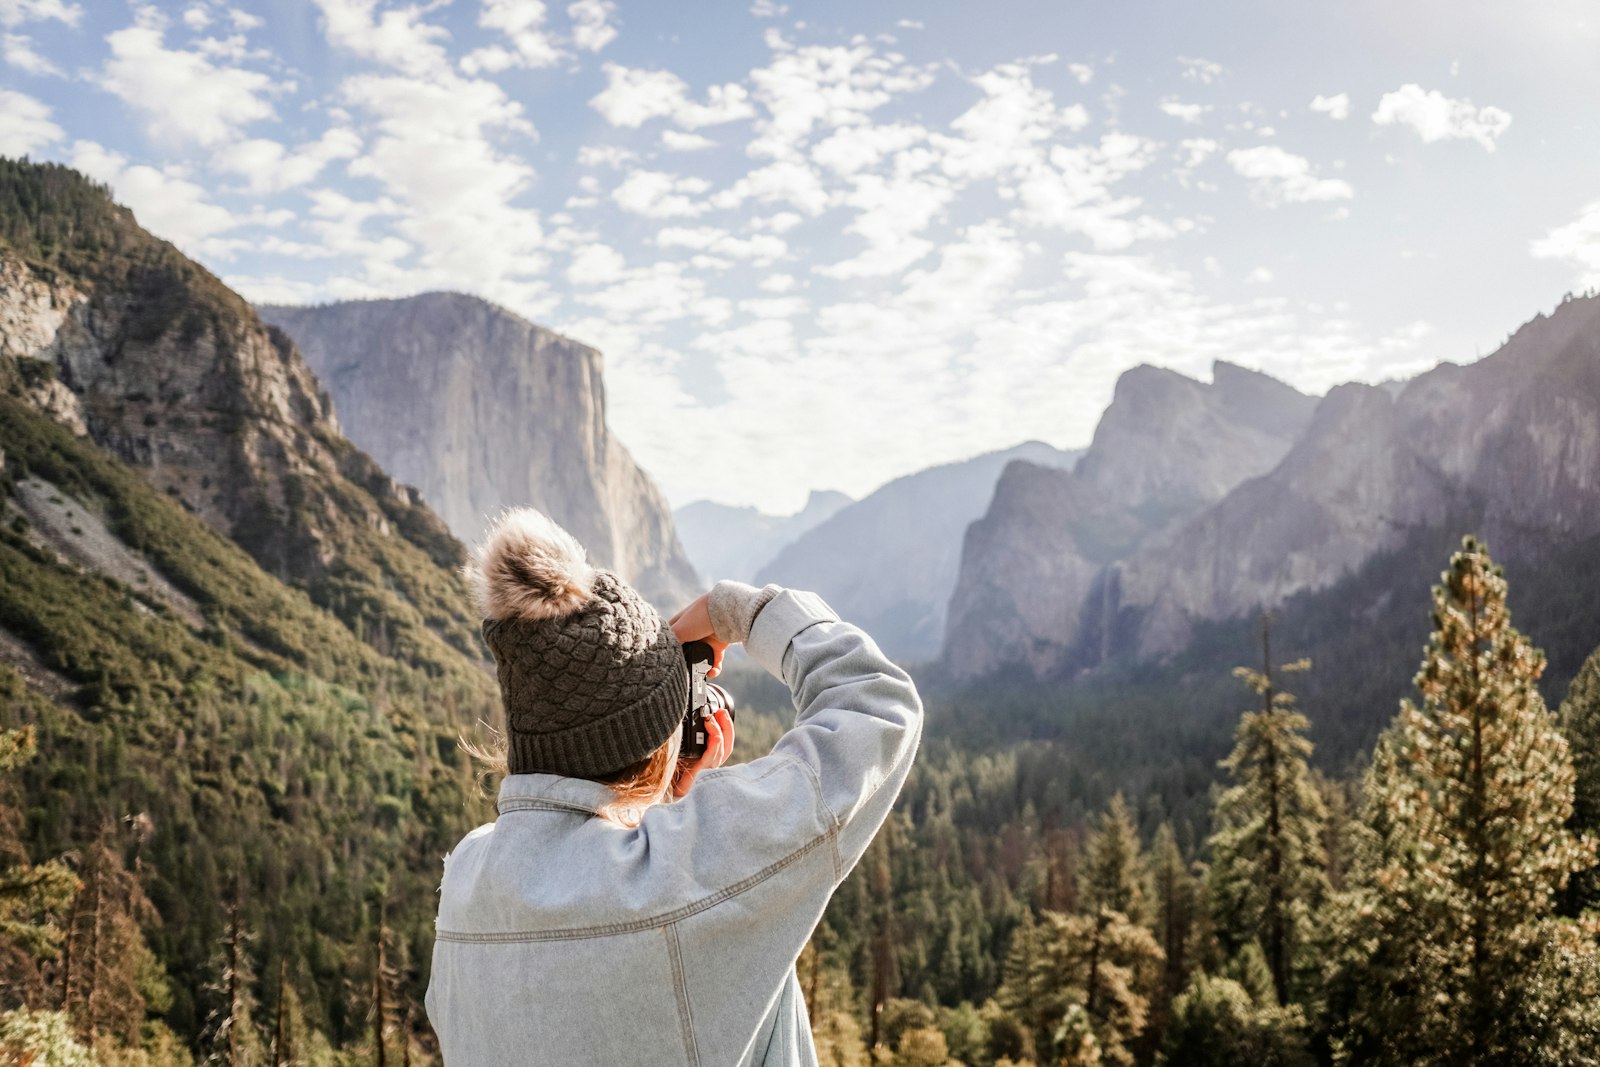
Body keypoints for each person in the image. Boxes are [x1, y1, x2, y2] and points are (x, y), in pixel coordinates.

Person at [424, 507, 923, 1066]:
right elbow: (877, 705)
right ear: (659, 746)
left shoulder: (467, 882)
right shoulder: (686, 872)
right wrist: (741, 612)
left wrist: (662, 795)